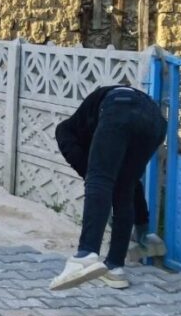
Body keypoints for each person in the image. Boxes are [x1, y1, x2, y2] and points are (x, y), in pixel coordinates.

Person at [49, 84, 166, 291]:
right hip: (155, 120)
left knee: (100, 178)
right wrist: (143, 229)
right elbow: (131, 184)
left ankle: (86, 255)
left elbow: (92, 175)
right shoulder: (96, 124)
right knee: (125, 186)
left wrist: (100, 180)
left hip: (120, 106)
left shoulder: (66, 131)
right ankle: (115, 269)